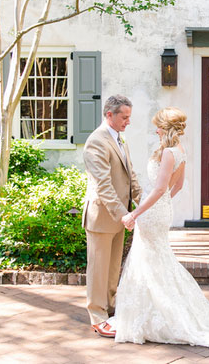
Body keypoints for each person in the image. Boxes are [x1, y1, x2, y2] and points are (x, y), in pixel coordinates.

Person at [109, 107, 209, 353]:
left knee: (150, 261)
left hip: (153, 212)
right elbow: (177, 186)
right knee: (158, 261)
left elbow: (158, 189)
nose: (155, 129)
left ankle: (156, 316)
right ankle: (157, 310)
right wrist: (164, 203)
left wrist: (136, 213)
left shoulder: (167, 153)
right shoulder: (180, 151)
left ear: (166, 129)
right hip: (161, 211)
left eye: (158, 126)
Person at [82, 95, 143, 338]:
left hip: (120, 217)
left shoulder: (119, 139)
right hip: (103, 217)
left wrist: (145, 200)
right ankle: (97, 317)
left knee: (111, 269)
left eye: (129, 117)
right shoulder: (96, 141)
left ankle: (109, 308)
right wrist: (123, 215)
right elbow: (103, 186)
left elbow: (131, 176)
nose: (128, 121)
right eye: (124, 117)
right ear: (110, 115)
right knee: (98, 270)